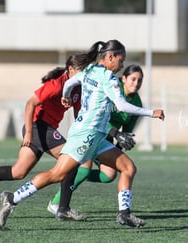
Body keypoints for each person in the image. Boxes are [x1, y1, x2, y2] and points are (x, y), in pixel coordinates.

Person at [0, 40, 165, 229]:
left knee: (128, 168)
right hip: (87, 135)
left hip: (96, 136)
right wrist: (152, 113)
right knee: (57, 174)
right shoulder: (109, 79)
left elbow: (69, 82)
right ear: (110, 57)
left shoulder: (89, 71)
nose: (122, 65)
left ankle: (124, 214)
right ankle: (12, 198)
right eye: (121, 60)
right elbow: (122, 105)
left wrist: (66, 96)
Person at [0, 54, 95, 220]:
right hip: (38, 127)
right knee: (72, 160)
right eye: (82, 71)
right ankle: (62, 208)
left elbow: (79, 114)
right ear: (70, 70)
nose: (84, 75)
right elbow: (30, 104)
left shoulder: (77, 89)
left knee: (18, 172)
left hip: (43, 130)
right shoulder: (56, 85)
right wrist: (28, 132)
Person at [47, 64, 144, 216]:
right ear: (123, 78)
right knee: (82, 170)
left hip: (106, 140)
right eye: (133, 79)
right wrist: (116, 134)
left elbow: (127, 132)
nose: (136, 83)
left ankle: (72, 175)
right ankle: (56, 202)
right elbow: (100, 118)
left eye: (139, 80)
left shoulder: (137, 103)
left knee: (108, 175)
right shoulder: (112, 87)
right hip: (91, 132)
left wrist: (123, 144)